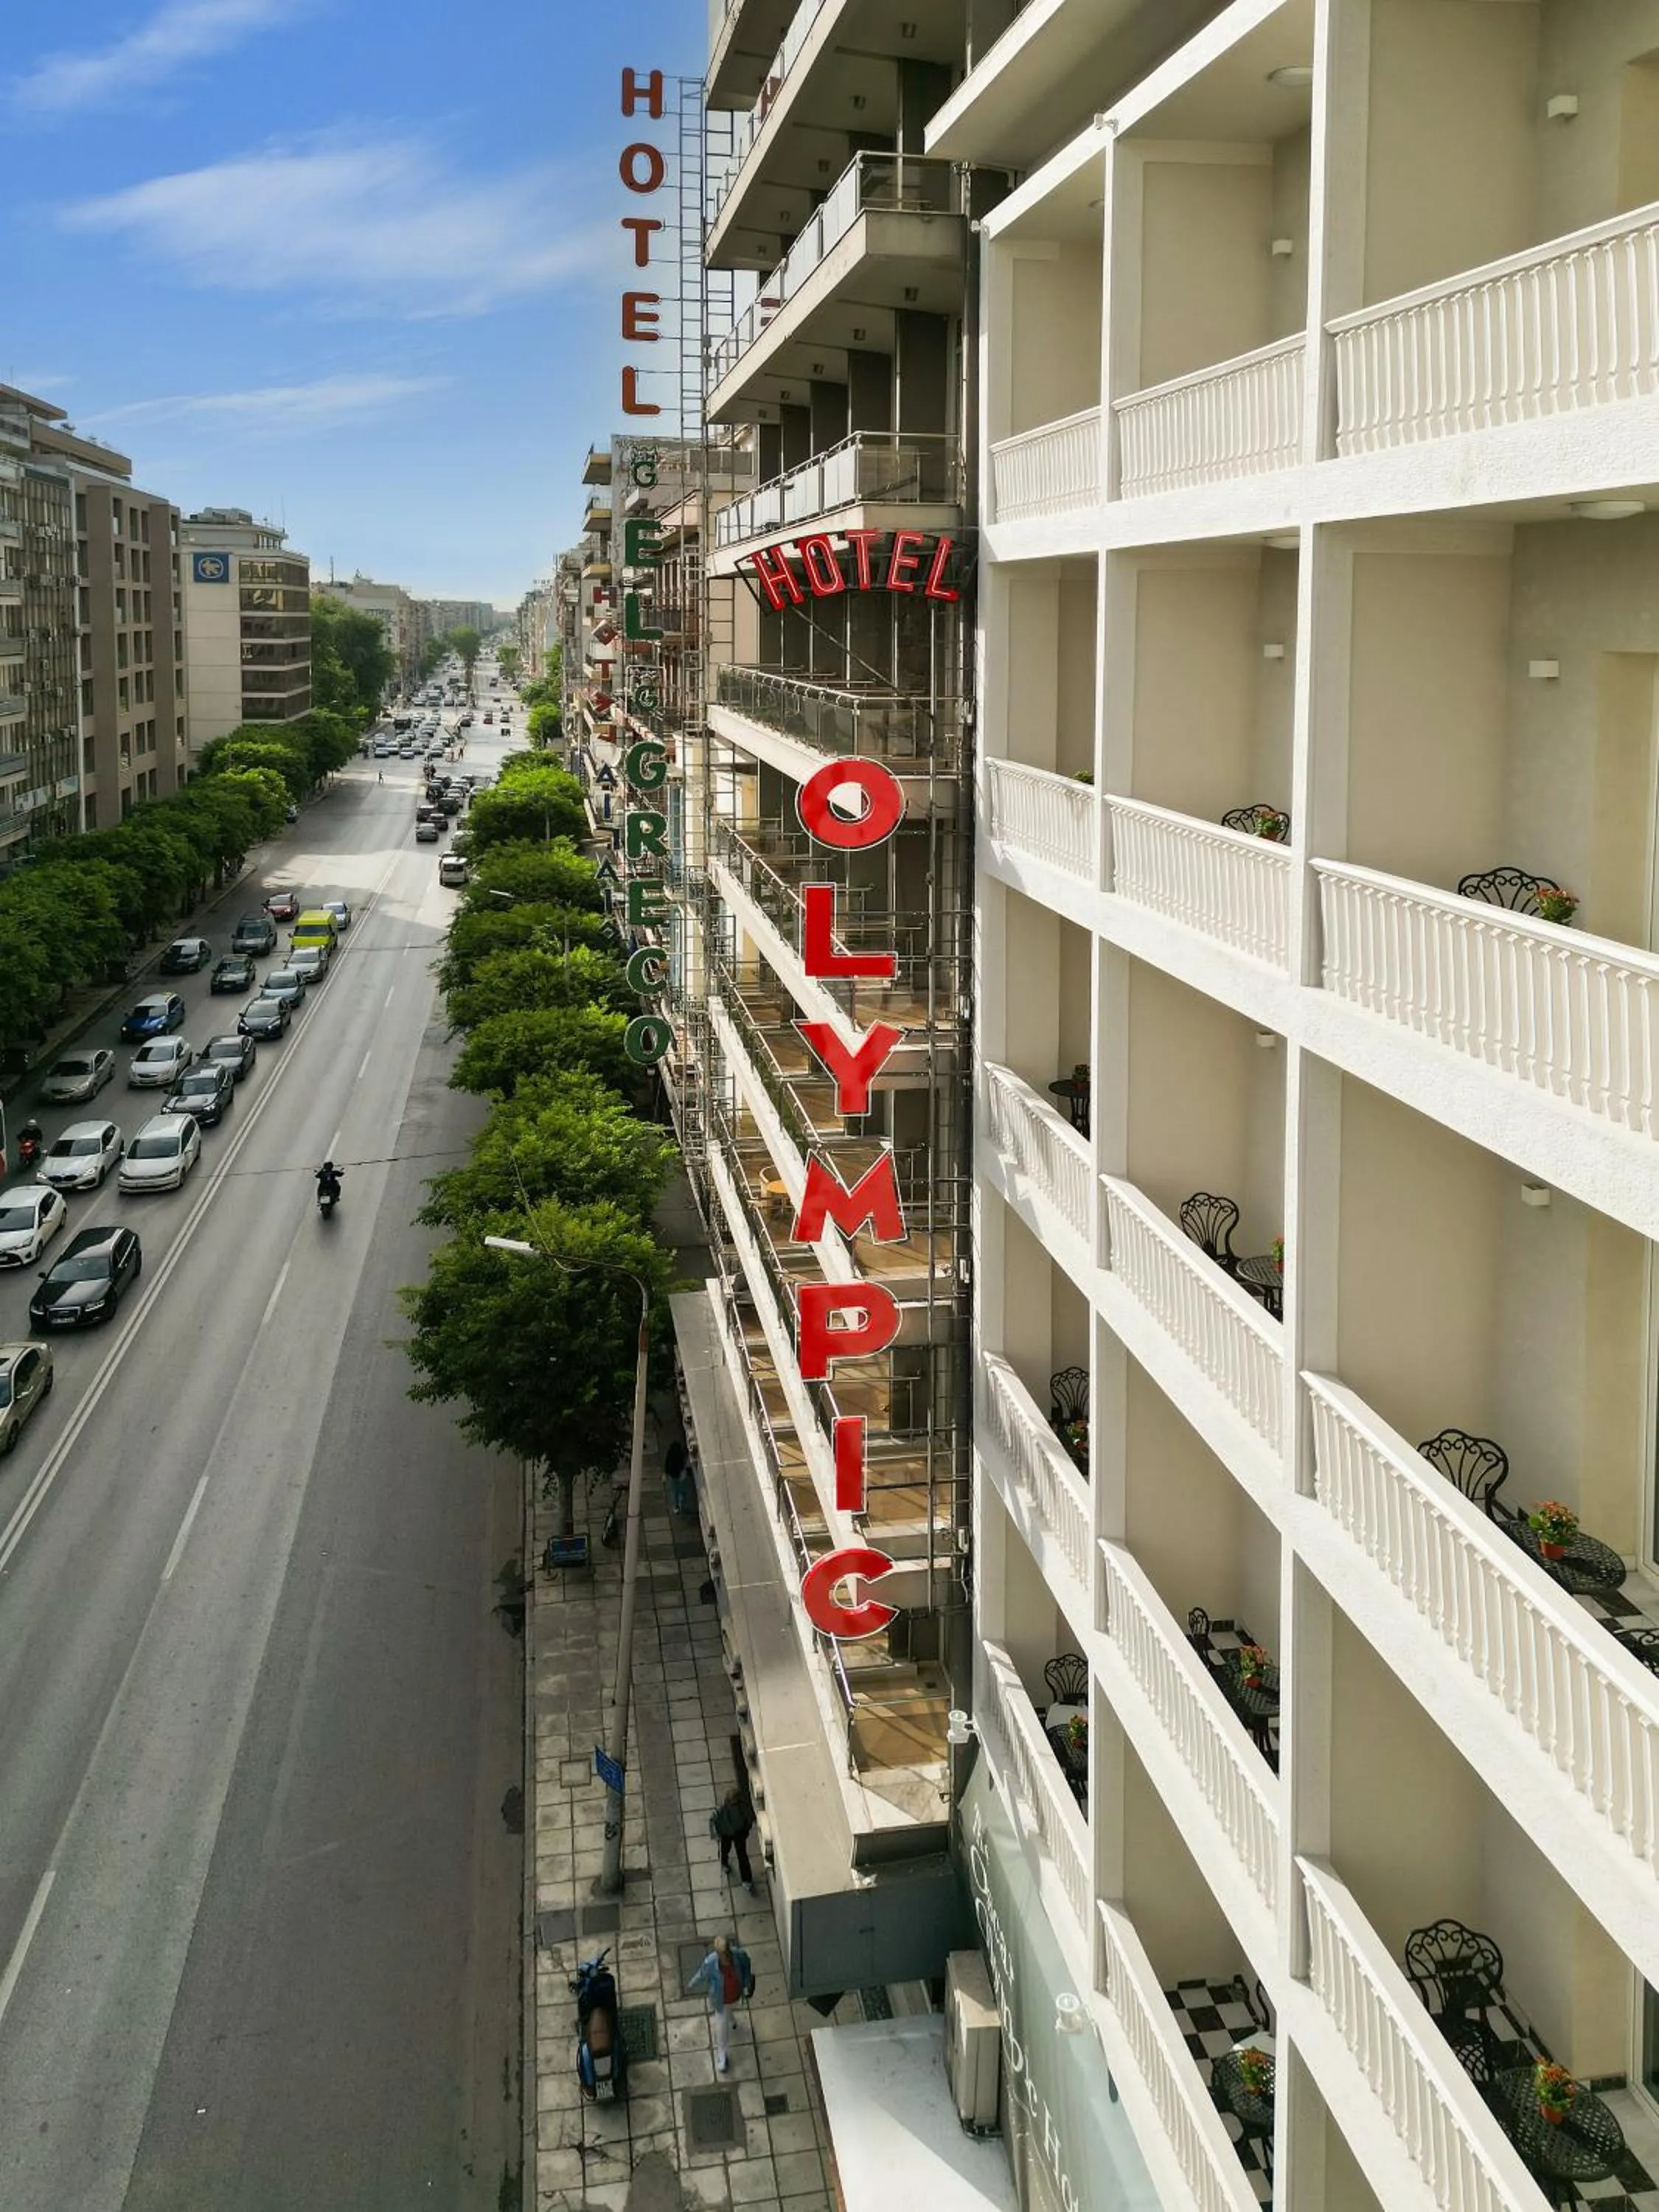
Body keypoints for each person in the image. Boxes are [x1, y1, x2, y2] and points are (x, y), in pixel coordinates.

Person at [687, 1932, 753, 2074]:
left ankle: (731, 2019)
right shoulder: (711, 1962)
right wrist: (692, 1983)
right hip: (720, 2000)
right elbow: (702, 1973)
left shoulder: (739, 1955)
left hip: (735, 1995)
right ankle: (722, 2055)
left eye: (726, 1952)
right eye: (722, 1953)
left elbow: (747, 1966)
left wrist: (747, 1983)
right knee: (721, 2027)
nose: (725, 1957)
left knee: (729, 2012)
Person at [712, 1788, 756, 1893]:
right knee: (725, 1849)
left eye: (735, 1804)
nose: (734, 1806)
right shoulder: (721, 1809)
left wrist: (746, 1830)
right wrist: (716, 1834)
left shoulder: (743, 1808)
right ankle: (724, 1862)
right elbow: (713, 1821)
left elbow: (749, 1818)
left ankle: (747, 1879)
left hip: (739, 1833)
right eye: (732, 1803)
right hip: (726, 1833)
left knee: (742, 1855)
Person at [665, 1438, 692, 1517]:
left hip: (673, 1475)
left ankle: (677, 1505)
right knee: (680, 1489)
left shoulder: (670, 1454)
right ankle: (681, 1501)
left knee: (675, 1491)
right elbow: (684, 1463)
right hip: (679, 1474)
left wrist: (666, 1472)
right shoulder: (680, 1455)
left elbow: (667, 1463)